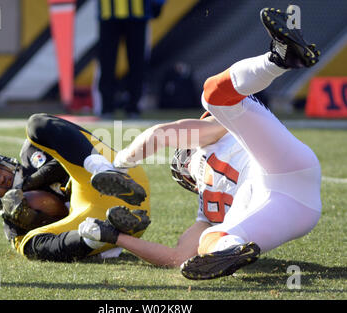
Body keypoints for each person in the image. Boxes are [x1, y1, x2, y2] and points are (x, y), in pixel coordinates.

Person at [79, 7, 322, 279]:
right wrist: (120, 166)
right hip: (285, 182)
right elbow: (160, 135)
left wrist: (115, 235)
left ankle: (277, 59)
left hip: (295, 209)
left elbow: (175, 257)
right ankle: (276, 61)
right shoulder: (205, 200)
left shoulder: (207, 196)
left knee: (213, 238)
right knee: (213, 96)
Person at [0, 113, 150, 262]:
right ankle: (100, 233)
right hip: (110, 224)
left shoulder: (32, 154)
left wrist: (34, 180)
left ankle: (104, 171)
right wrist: (36, 219)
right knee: (29, 246)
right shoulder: (13, 224)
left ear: (2, 161)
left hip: (123, 174)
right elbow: (44, 248)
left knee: (37, 124)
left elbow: (62, 155)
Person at [94, 0, 166, 119]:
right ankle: (107, 106)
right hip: (109, 13)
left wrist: (158, 3)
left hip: (137, 13)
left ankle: (133, 106)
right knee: (107, 63)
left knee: (137, 63)